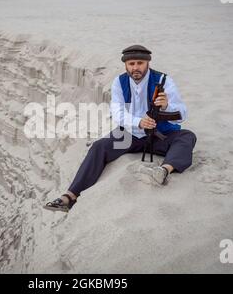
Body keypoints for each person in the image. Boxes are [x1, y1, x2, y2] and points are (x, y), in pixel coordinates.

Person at [44, 45, 197, 212]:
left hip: (161, 135)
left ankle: (164, 170)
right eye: (131, 64)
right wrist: (139, 122)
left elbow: (182, 114)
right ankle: (70, 196)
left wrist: (167, 106)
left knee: (186, 136)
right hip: (129, 136)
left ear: (148, 63)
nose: (135, 67)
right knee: (99, 147)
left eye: (140, 63)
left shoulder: (164, 81)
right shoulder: (119, 82)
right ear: (126, 65)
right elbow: (117, 113)